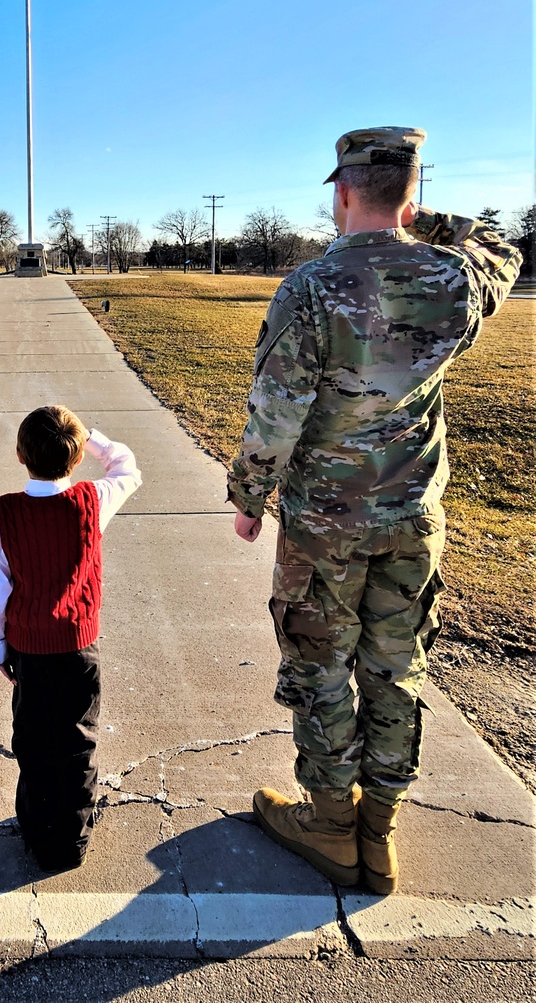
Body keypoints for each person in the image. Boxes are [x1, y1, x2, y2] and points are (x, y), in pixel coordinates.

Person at [227, 127, 521, 894]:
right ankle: (379, 833)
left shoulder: (314, 288)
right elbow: (501, 247)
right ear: (408, 193)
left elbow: (276, 410)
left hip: (326, 526)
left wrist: (250, 498)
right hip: (413, 517)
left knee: (321, 666)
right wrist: (422, 221)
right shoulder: (453, 280)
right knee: (397, 668)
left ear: (344, 191)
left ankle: (330, 823)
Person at [0, 406, 141, 872]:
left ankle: (35, 828)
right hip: (77, 648)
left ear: (18, 455)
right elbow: (127, 465)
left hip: (28, 647)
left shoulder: (4, 512)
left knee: (32, 740)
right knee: (77, 742)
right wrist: (92, 439)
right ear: (75, 461)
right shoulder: (93, 500)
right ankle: (70, 840)